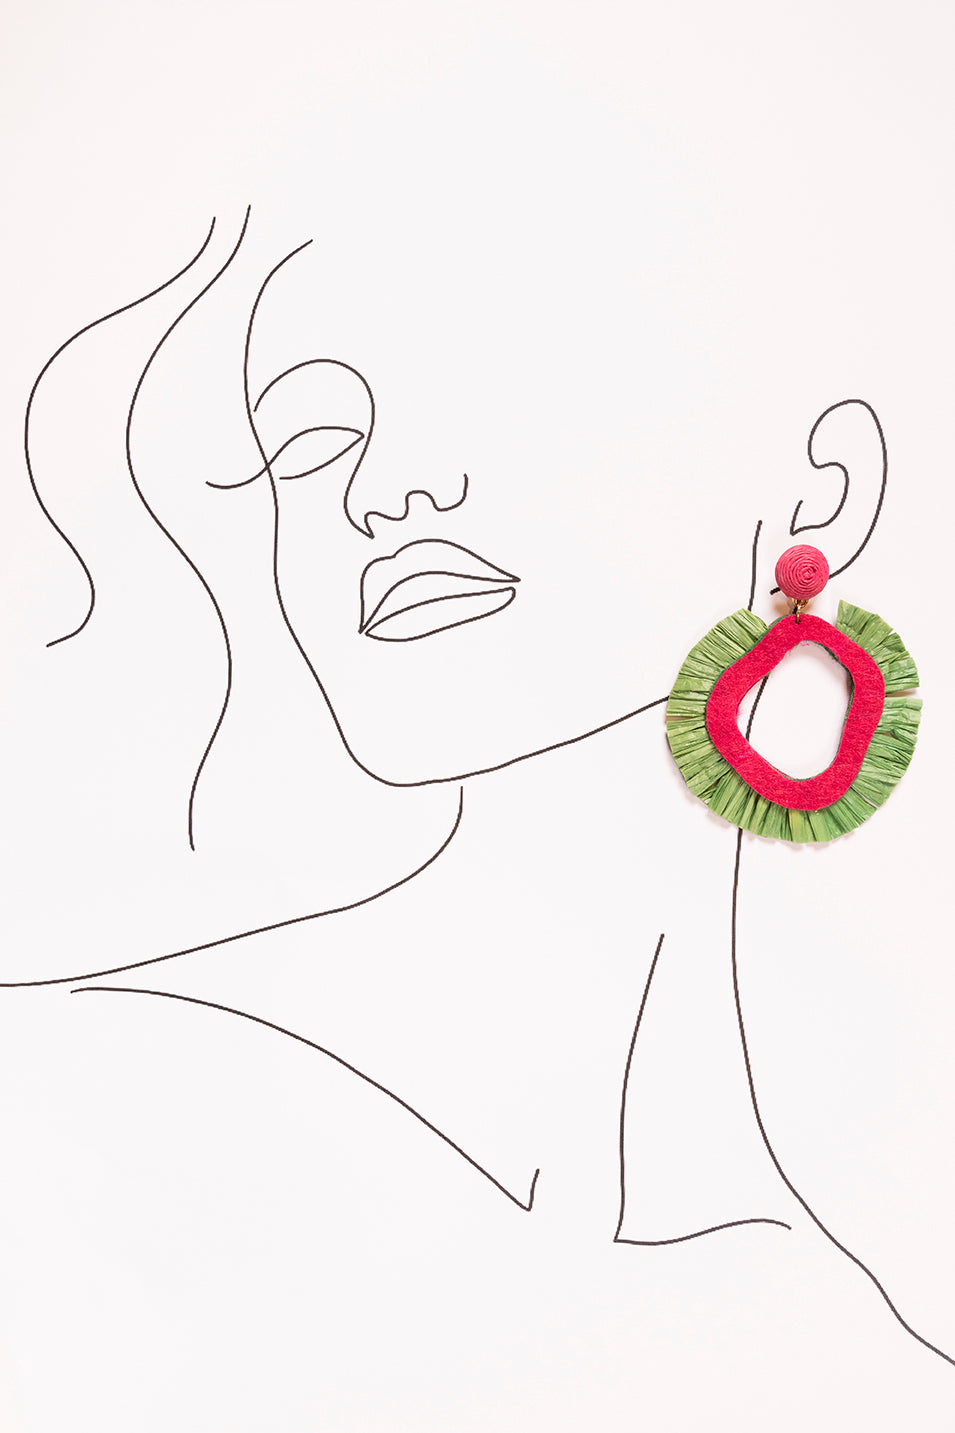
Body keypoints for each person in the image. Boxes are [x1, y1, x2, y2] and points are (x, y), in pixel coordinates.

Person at [1, 2, 953, 1428]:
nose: (383, 490)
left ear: (822, 493)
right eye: (311, 435)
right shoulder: (84, 1077)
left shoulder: (846, 1327)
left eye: (515, 371)